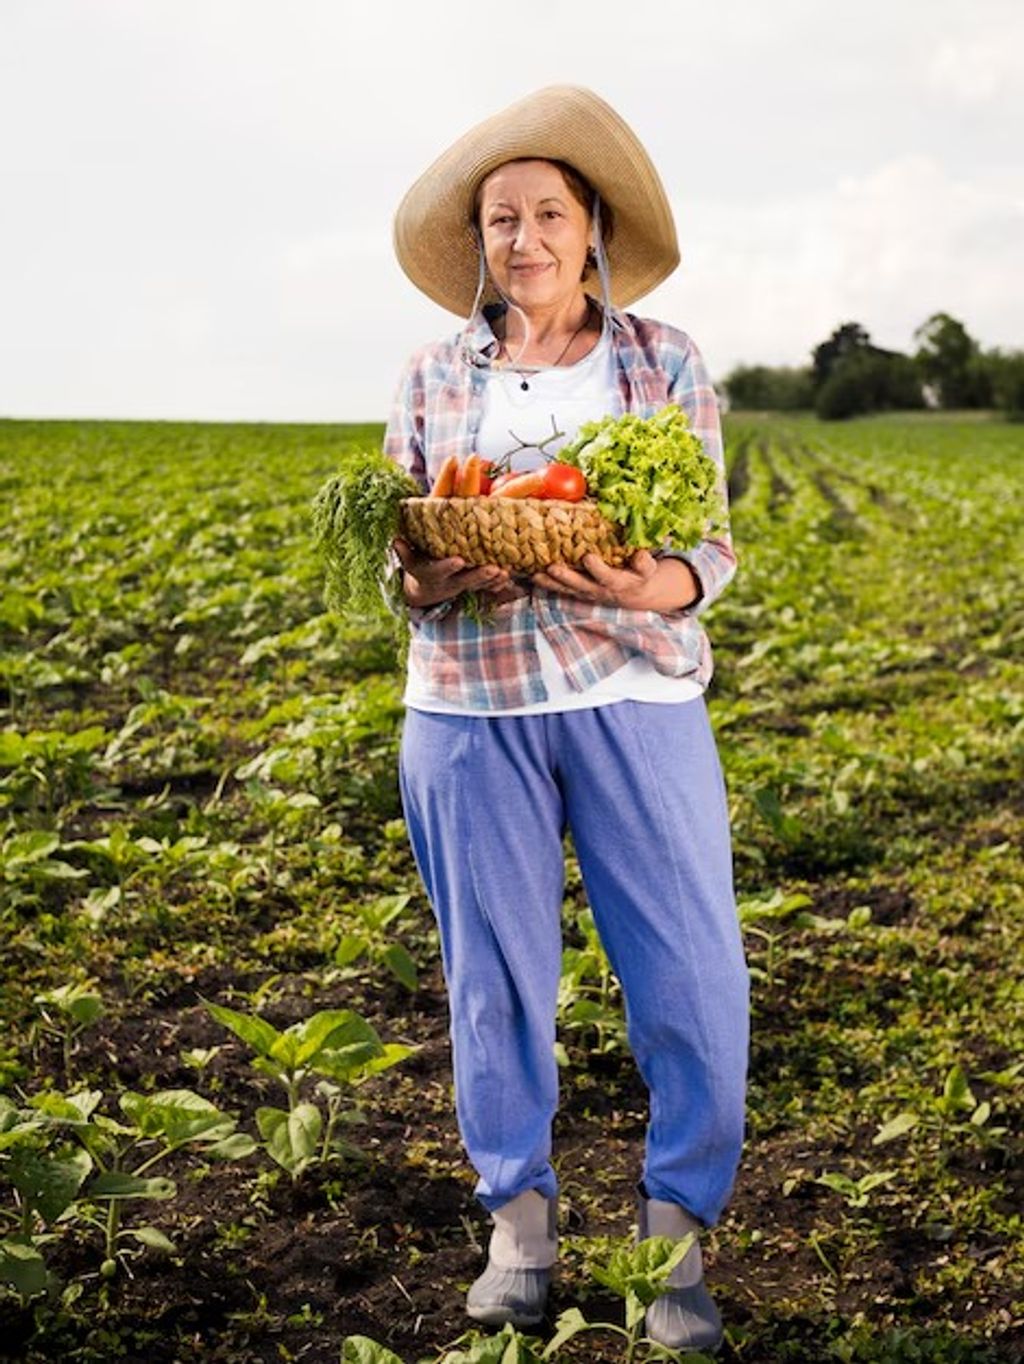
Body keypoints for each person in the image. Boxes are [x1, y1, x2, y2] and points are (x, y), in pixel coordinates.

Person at [384, 85, 749, 1354]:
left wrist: (642, 581)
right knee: (492, 978)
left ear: (591, 228)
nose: (524, 239)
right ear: (478, 241)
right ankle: (520, 1226)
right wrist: (433, 574)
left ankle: (674, 1241)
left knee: (690, 973)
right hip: (468, 708)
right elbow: (405, 563)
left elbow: (703, 544)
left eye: (548, 213)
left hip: (632, 692)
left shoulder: (662, 362)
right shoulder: (435, 374)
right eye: (501, 220)